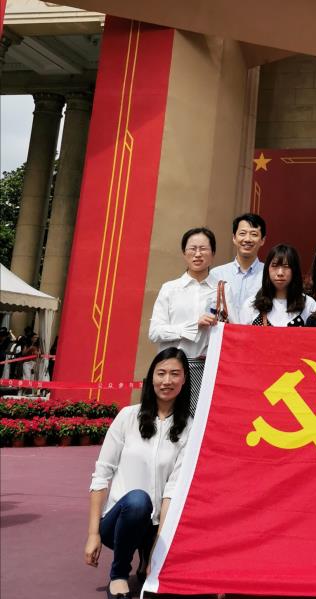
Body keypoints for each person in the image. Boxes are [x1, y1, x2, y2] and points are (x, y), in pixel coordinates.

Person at [85, 347, 193, 599]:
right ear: (151, 377)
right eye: (161, 373)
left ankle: (146, 557)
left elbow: (173, 489)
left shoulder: (188, 427)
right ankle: (119, 574)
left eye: (175, 374)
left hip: (156, 526)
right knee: (137, 501)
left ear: (184, 379)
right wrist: (93, 534)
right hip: (119, 522)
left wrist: (158, 548)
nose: (167, 381)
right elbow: (101, 474)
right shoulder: (128, 417)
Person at [148, 227, 236, 411]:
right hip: (172, 369)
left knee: (200, 418)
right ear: (184, 253)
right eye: (192, 249)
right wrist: (192, 326)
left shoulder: (223, 289)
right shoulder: (170, 289)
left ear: (213, 254)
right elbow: (154, 332)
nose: (197, 254)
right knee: (169, 416)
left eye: (203, 249)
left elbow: (234, 330)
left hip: (207, 367)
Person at [240, 244, 316, 326]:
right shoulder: (251, 304)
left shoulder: (309, 305)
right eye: (274, 266)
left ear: (295, 270)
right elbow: (242, 333)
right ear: (267, 269)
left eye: (286, 266)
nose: (280, 273)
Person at [210, 213, 266, 315]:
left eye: (254, 234)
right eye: (242, 233)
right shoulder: (216, 274)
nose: (247, 239)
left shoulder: (269, 274)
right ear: (234, 238)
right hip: (224, 326)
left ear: (262, 240)